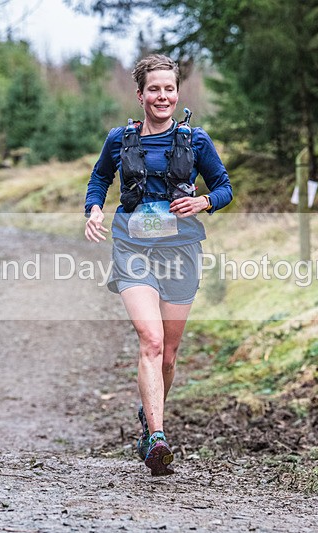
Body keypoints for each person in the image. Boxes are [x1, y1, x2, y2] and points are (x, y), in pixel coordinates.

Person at [84, 54, 232, 476]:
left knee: (168, 355)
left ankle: (148, 415)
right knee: (150, 340)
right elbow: (99, 179)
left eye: (169, 88)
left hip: (181, 250)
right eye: (154, 89)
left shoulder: (196, 141)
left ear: (177, 93)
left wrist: (203, 201)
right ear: (140, 94)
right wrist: (94, 209)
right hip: (132, 246)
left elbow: (225, 188)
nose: (162, 96)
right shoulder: (120, 139)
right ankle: (157, 437)